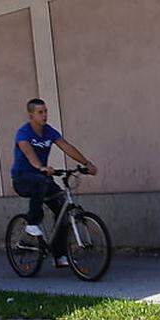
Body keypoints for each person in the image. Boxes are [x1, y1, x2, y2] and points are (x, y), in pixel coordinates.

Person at [11, 98, 97, 267]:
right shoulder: (24, 133)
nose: (44, 115)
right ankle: (32, 223)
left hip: (42, 178)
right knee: (40, 181)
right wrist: (41, 167)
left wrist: (86, 164)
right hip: (22, 179)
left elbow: (66, 146)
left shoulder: (49, 131)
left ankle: (60, 256)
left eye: (46, 111)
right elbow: (29, 153)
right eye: (40, 112)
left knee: (62, 210)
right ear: (31, 115)